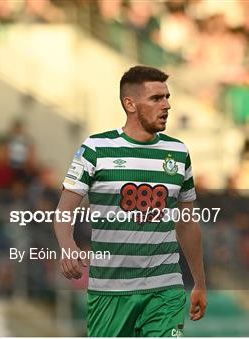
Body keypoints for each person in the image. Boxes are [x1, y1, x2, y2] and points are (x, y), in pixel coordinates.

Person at [53, 65, 207, 337]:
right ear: (130, 104)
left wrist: (199, 282)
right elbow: (64, 210)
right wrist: (68, 245)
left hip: (165, 288)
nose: (167, 105)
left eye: (167, 97)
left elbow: (187, 223)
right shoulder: (96, 148)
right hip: (110, 291)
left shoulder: (178, 152)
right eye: (156, 98)